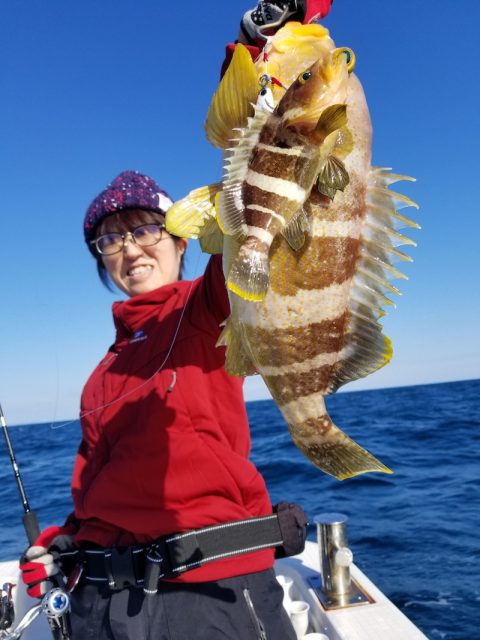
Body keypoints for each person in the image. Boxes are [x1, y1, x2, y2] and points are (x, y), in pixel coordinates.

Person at [19, 2, 333, 638]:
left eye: (144, 229)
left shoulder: (209, 303)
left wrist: (260, 46)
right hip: (100, 604)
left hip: (209, 596)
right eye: (110, 239)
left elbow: (261, 188)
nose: (130, 248)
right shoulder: (102, 375)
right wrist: (63, 542)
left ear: (182, 239)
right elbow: (98, 480)